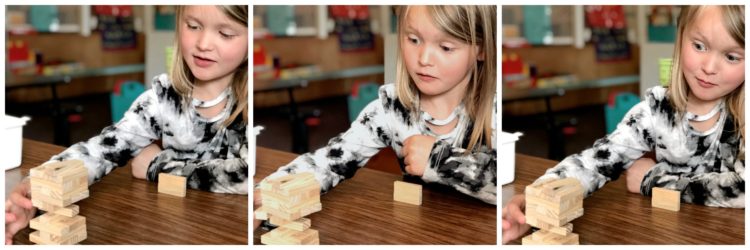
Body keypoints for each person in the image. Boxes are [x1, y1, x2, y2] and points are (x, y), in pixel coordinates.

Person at [5, 5, 249, 244]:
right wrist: (34, 187)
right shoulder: (160, 98)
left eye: (225, 34)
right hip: (171, 231)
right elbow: (101, 150)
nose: (203, 44)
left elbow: (245, 175)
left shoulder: (249, 104)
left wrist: (156, 166)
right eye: (193, 26)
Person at [502, 5, 744, 244]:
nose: (709, 68)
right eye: (699, 46)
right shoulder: (655, 109)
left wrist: (652, 180)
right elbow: (594, 163)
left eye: (732, 57)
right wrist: (537, 196)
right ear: (680, 37)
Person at [254, 5, 497, 230]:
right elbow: (330, 161)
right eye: (413, 40)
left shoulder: (494, 109)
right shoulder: (389, 108)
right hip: (418, 233)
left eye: (445, 47)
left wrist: (437, 160)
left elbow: (503, 183)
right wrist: (272, 189)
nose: (423, 59)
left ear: (482, 49)